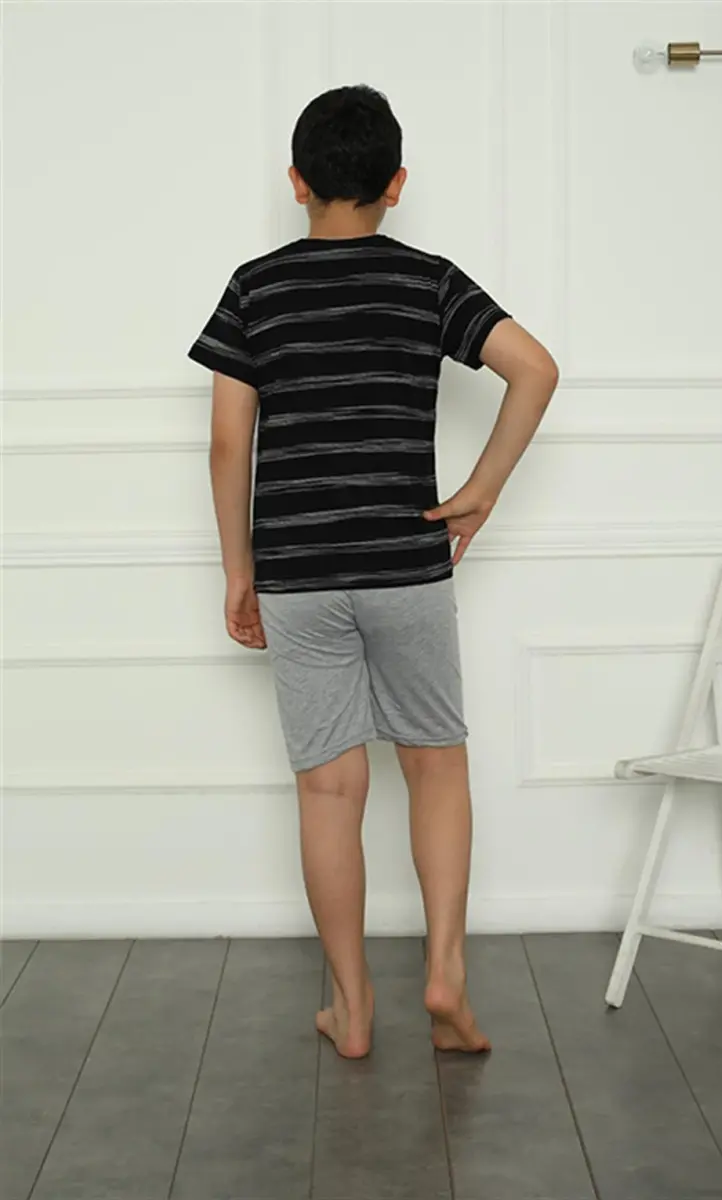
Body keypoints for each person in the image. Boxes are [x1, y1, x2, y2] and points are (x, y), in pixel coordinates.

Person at [188, 85, 558, 1059]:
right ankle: (445, 975)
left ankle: (351, 1010)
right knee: (435, 765)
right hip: (406, 563)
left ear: (296, 182)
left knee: (328, 791)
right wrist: (481, 490)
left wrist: (238, 570)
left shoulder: (255, 288)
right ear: (396, 184)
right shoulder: (426, 281)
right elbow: (536, 369)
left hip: (299, 571)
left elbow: (228, 444)